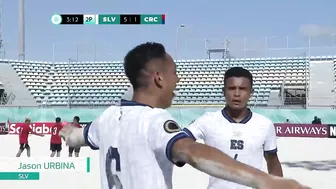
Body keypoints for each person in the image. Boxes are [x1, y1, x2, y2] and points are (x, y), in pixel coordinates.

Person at [59, 42, 310, 189]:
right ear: (159, 78)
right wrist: (267, 182)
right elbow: (191, 151)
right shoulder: (155, 121)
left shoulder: (108, 118)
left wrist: (68, 132)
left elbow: (76, 137)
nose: (177, 79)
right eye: (174, 72)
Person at [183, 67, 283, 189]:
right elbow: (179, 141)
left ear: (251, 92)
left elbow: (273, 163)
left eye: (242, 89)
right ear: (223, 91)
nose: (236, 94)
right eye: (231, 88)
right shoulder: (208, 120)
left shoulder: (265, 124)